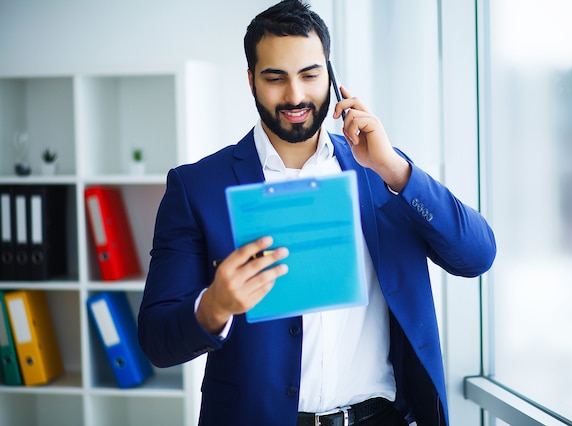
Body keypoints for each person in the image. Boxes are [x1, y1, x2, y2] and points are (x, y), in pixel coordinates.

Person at [138, 1, 496, 425]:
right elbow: (157, 341)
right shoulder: (197, 187)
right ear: (251, 80)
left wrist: (394, 170)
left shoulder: (380, 171)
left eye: (310, 75)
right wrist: (214, 306)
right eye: (275, 78)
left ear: (332, 77)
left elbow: (477, 256)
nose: (295, 96)